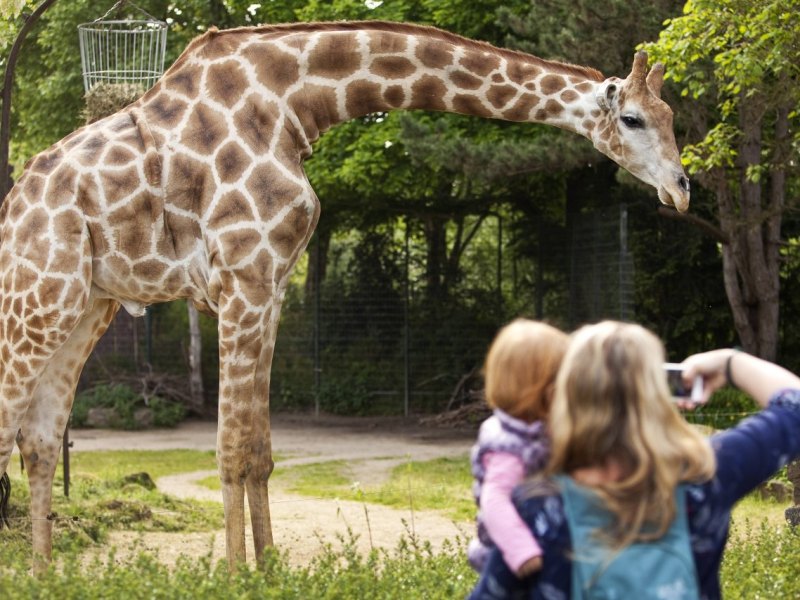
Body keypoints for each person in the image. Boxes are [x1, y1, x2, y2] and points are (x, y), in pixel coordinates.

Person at [469, 320, 800, 599]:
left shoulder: (537, 509)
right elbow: (794, 405)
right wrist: (730, 363)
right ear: (656, 394)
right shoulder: (707, 475)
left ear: (565, 397)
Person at [468, 319, 569, 578]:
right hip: (510, 558)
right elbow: (494, 501)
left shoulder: (540, 428)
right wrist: (522, 552)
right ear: (537, 389)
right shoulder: (508, 446)